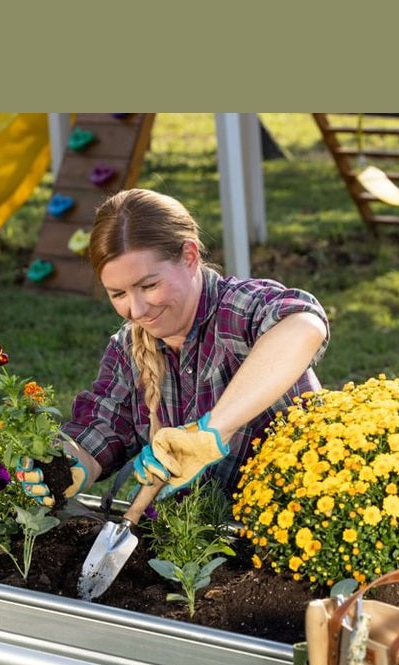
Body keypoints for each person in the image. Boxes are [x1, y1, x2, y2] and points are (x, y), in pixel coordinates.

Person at [19, 187, 330, 505]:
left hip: (299, 522)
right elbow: (102, 426)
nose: (137, 311)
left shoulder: (236, 311)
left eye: (149, 285)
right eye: (118, 294)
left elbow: (304, 325)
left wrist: (210, 434)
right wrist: (66, 462)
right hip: (201, 541)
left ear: (190, 257)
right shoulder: (129, 350)